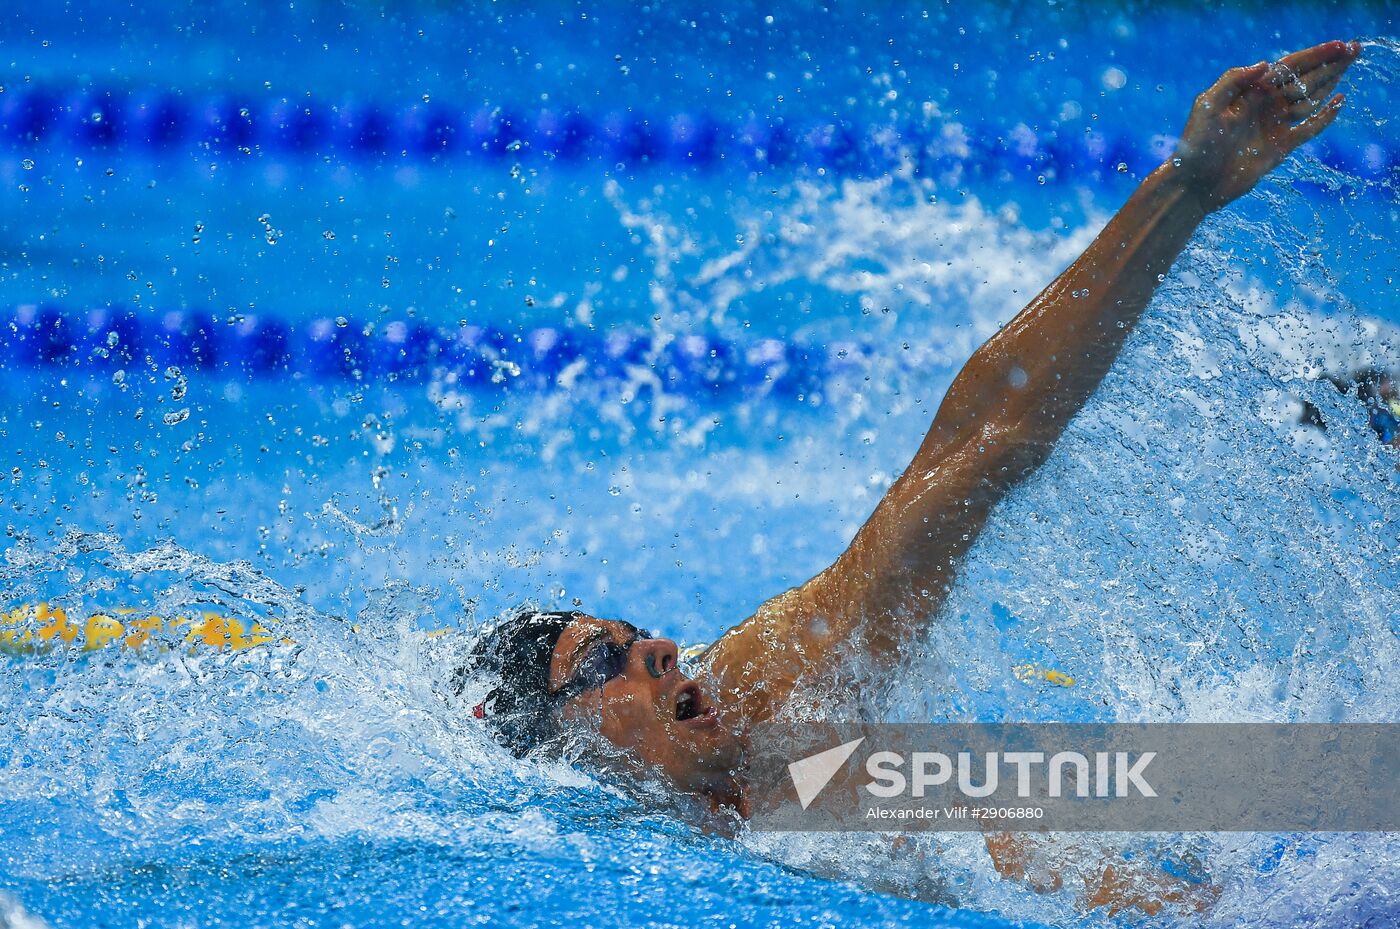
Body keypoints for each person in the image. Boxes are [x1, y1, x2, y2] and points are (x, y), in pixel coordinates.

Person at [458, 40, 1362, 914]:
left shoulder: (780, 700)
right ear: (557, 744)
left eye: (634, 635)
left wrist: (1183, 190)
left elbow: (984, 445)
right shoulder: (578, 845)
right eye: (606, 662)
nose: (656, 649)